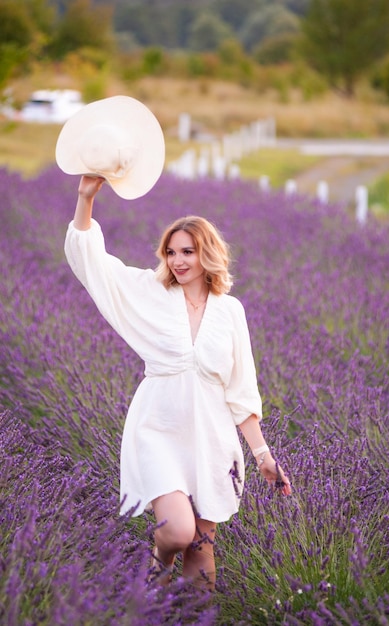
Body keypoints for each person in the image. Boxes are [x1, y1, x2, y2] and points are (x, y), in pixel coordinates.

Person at [64, 174, 292, 591]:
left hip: (211, 438)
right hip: (158, 430)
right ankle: (157, 566)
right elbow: (93, 264)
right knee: (176, 533)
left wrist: (262, 456)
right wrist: (85, 199)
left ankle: (182, 614)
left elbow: (241, 391)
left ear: (208, 254)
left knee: (202, 549)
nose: (178, 261)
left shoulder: (231, 311)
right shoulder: (151, 292)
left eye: (187, 251)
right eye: (171, 252)